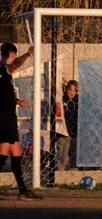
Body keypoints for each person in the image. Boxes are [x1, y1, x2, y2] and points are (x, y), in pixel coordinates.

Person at [0, 42, 42, 200]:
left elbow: (3, 94)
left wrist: (17, 101)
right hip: (4, 118)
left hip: (8, 116)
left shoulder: (4, 73)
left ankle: (23, 190)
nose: (15, 59)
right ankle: (23, 190)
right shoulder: (3, 68)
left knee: (13, 153)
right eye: (13, 56)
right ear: (9, 55)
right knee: (8, 152)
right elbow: (14, 65)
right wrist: (28, 54)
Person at [56, 79, 79, 170]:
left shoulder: (79, 99)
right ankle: (60, 170)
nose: (72, 92)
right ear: (66, 89)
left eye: (74, 90)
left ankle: (74, 168)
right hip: (64, 131)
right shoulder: (62, 99)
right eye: (70, 89)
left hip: (75, 130)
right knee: (62, 152)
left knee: (74, 151)